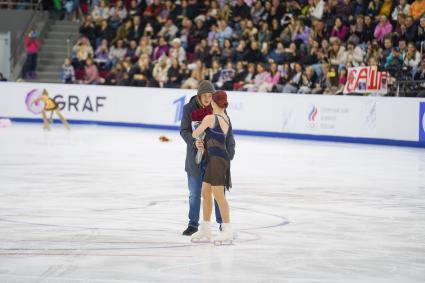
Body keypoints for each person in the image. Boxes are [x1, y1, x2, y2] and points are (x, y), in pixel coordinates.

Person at [180, 81, 235, 236]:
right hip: (195, 158)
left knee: (218, 193)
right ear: (199, 95)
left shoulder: (218, 109)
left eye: (209, 96)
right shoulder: (188, 109)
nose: (207, 99)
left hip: (215, 159)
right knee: (196, 193)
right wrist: (194, 142)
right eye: (204, 95)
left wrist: (229, 154)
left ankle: (223, 224)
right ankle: (194, 224)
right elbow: (184, 131)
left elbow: (229, 135)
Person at [191, 90, 234, 244]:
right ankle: (206, 228)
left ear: (214, 103)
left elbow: (195, 133)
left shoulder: (210, 118)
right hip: (217, 158)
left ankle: (227, 230)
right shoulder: (225, 118)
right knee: (205, 191)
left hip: (217, 160)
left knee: (218, 195)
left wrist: (196, 127)